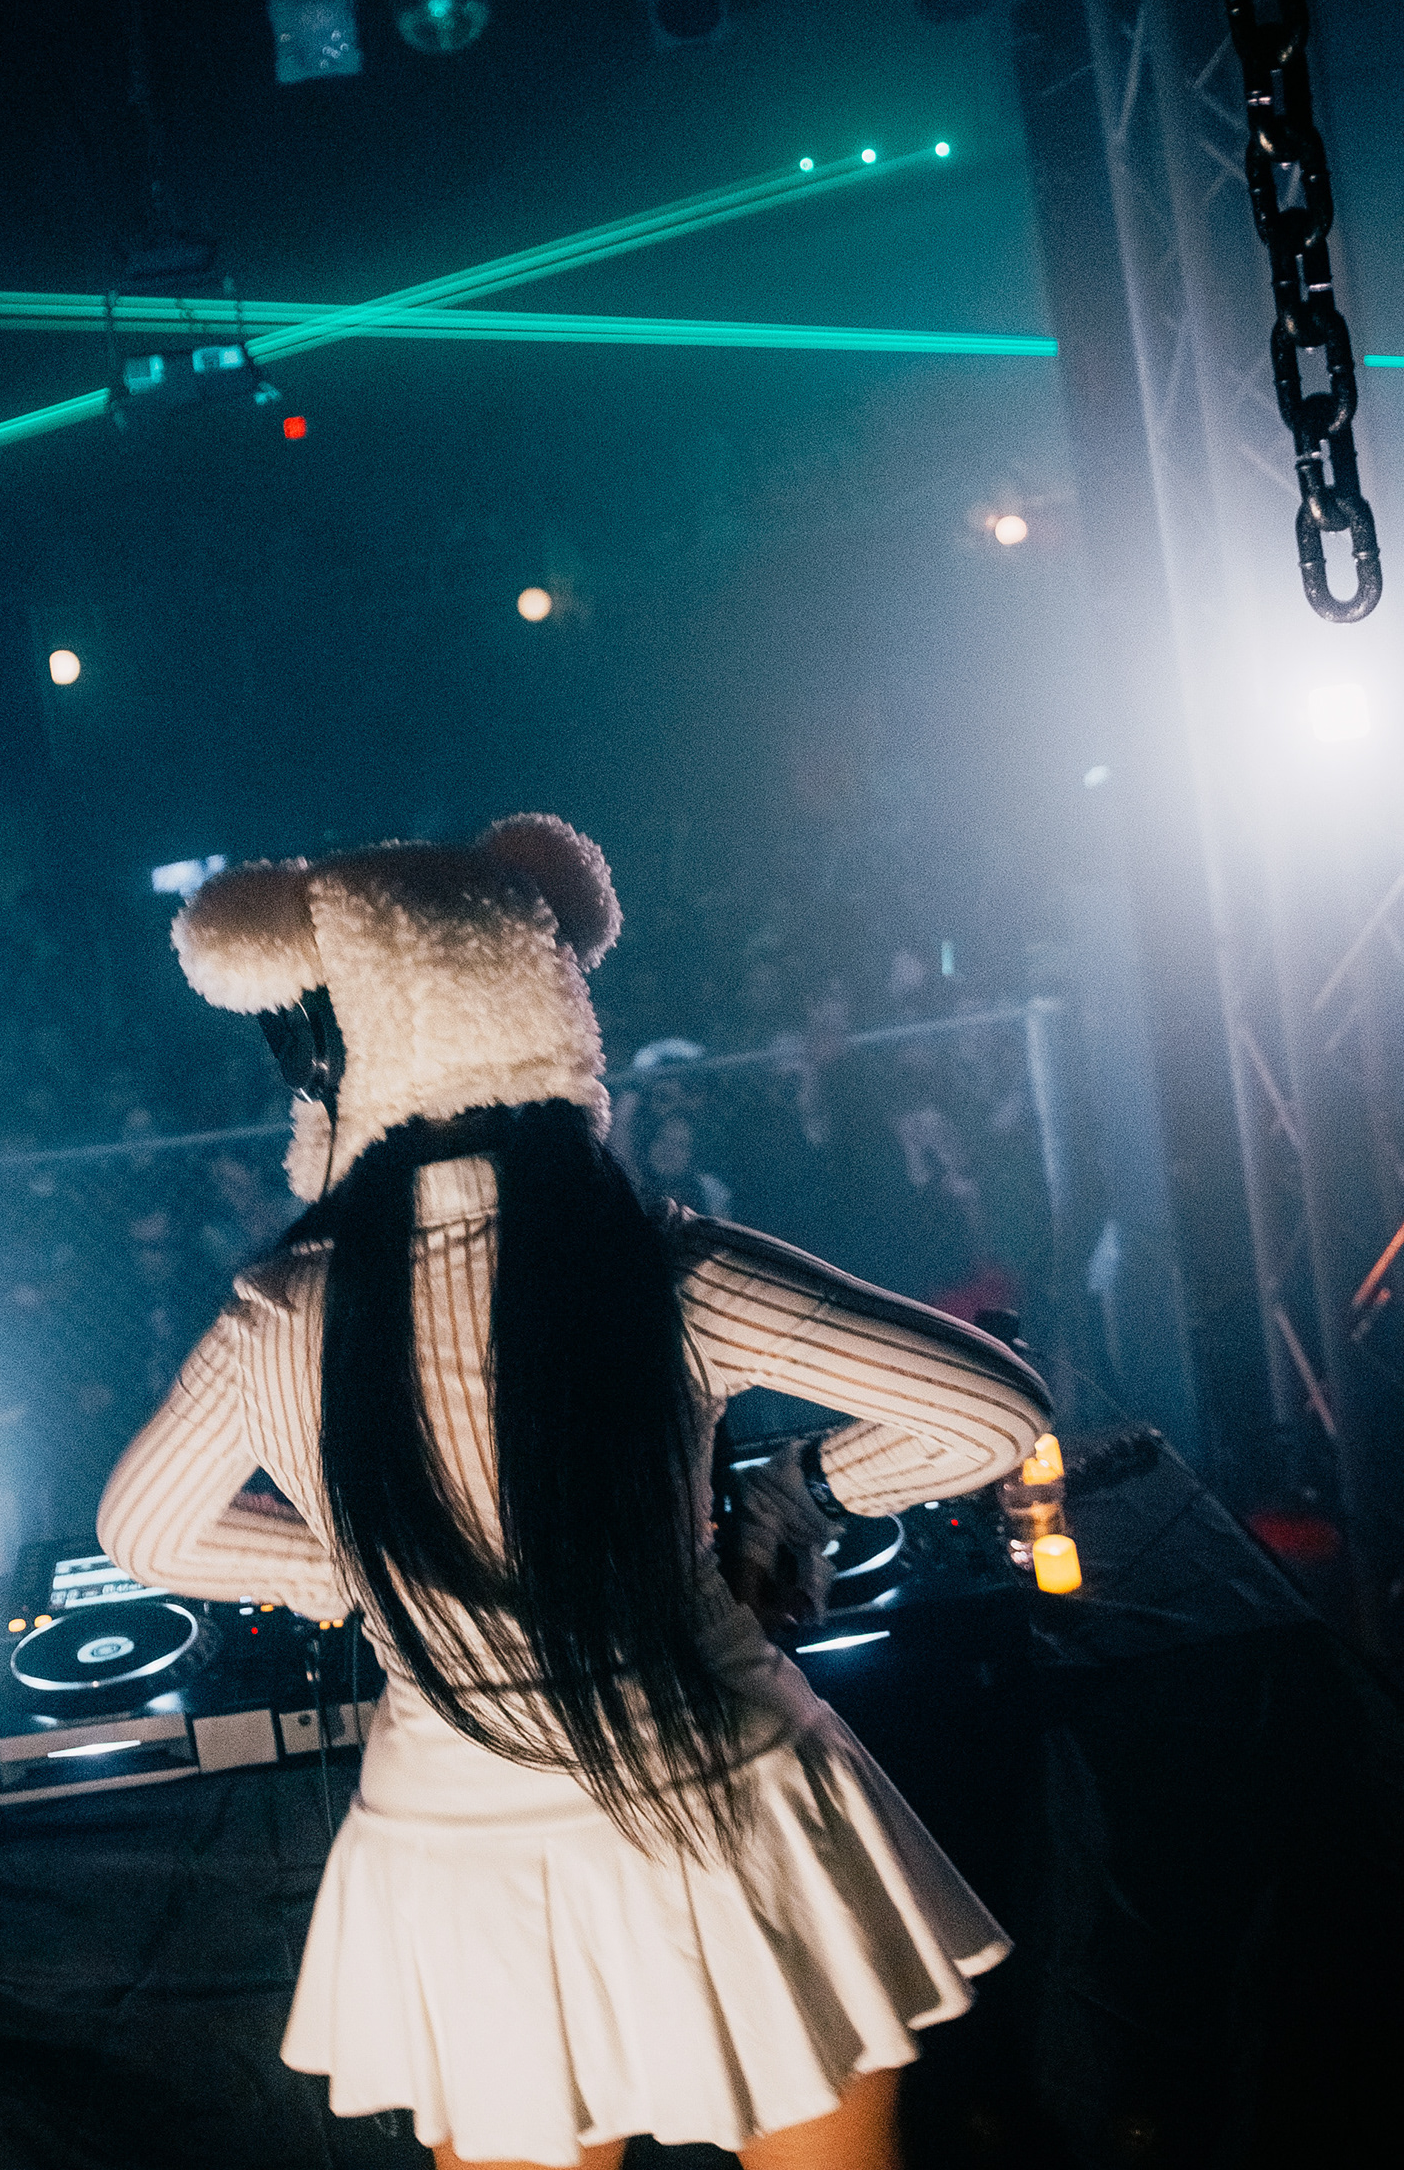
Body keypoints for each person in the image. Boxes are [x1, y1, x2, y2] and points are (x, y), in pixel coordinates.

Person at [98, 817, 1051, 2170]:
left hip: (458, 1851)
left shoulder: (285, 1313)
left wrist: (359, 1575)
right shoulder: (660, 1262)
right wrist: (797, 1495)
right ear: (548, 1016)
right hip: (732, 1799)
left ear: (331, 1069)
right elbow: (993, 1413)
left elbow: (144, 1533)